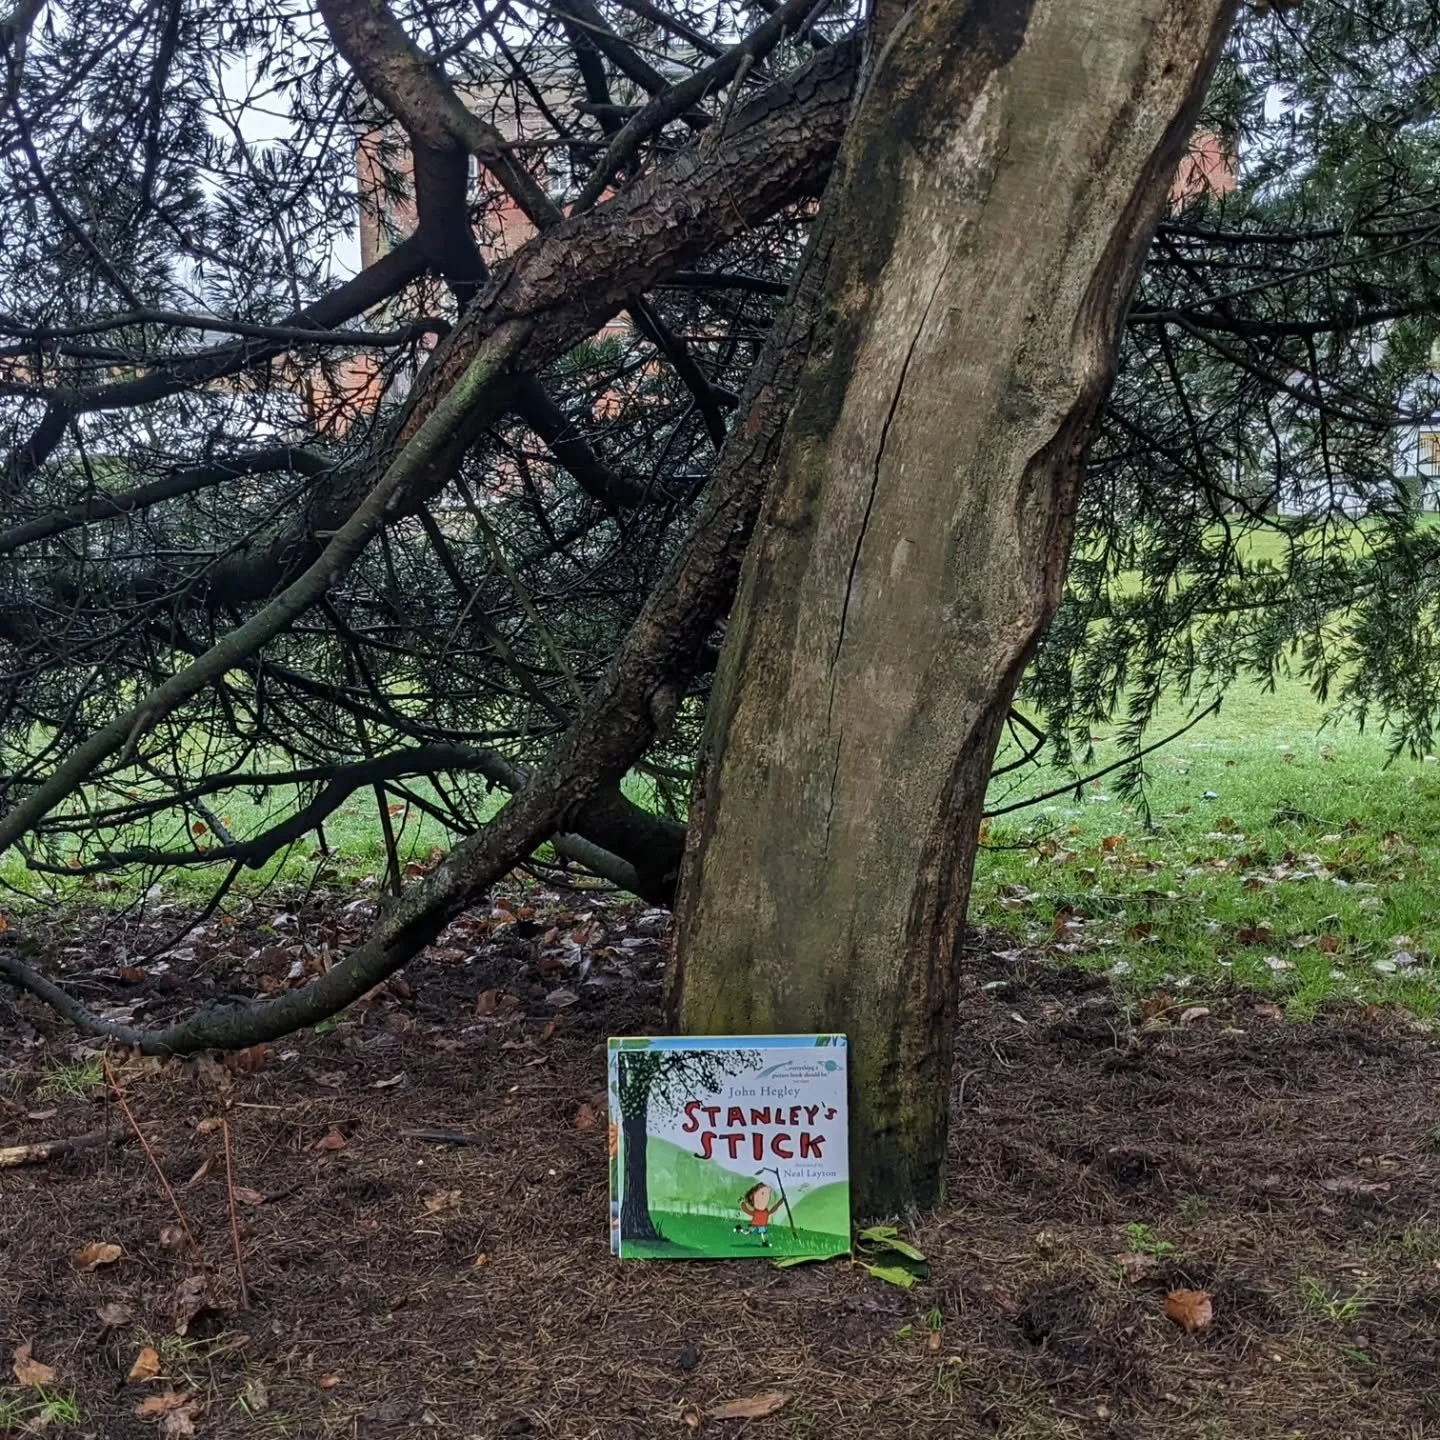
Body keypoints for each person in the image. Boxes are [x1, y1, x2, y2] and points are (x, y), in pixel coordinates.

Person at [733, 1181, 777, 1246]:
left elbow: (771, 1210)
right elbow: (747, 1210)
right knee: (747, 1232)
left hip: (761, 1224)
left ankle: (764, 1242)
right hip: (755, 1224)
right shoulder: (756, 1210)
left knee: (762, 1232)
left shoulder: (764, 1210)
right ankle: (739, 1229)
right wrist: (742, 1204)